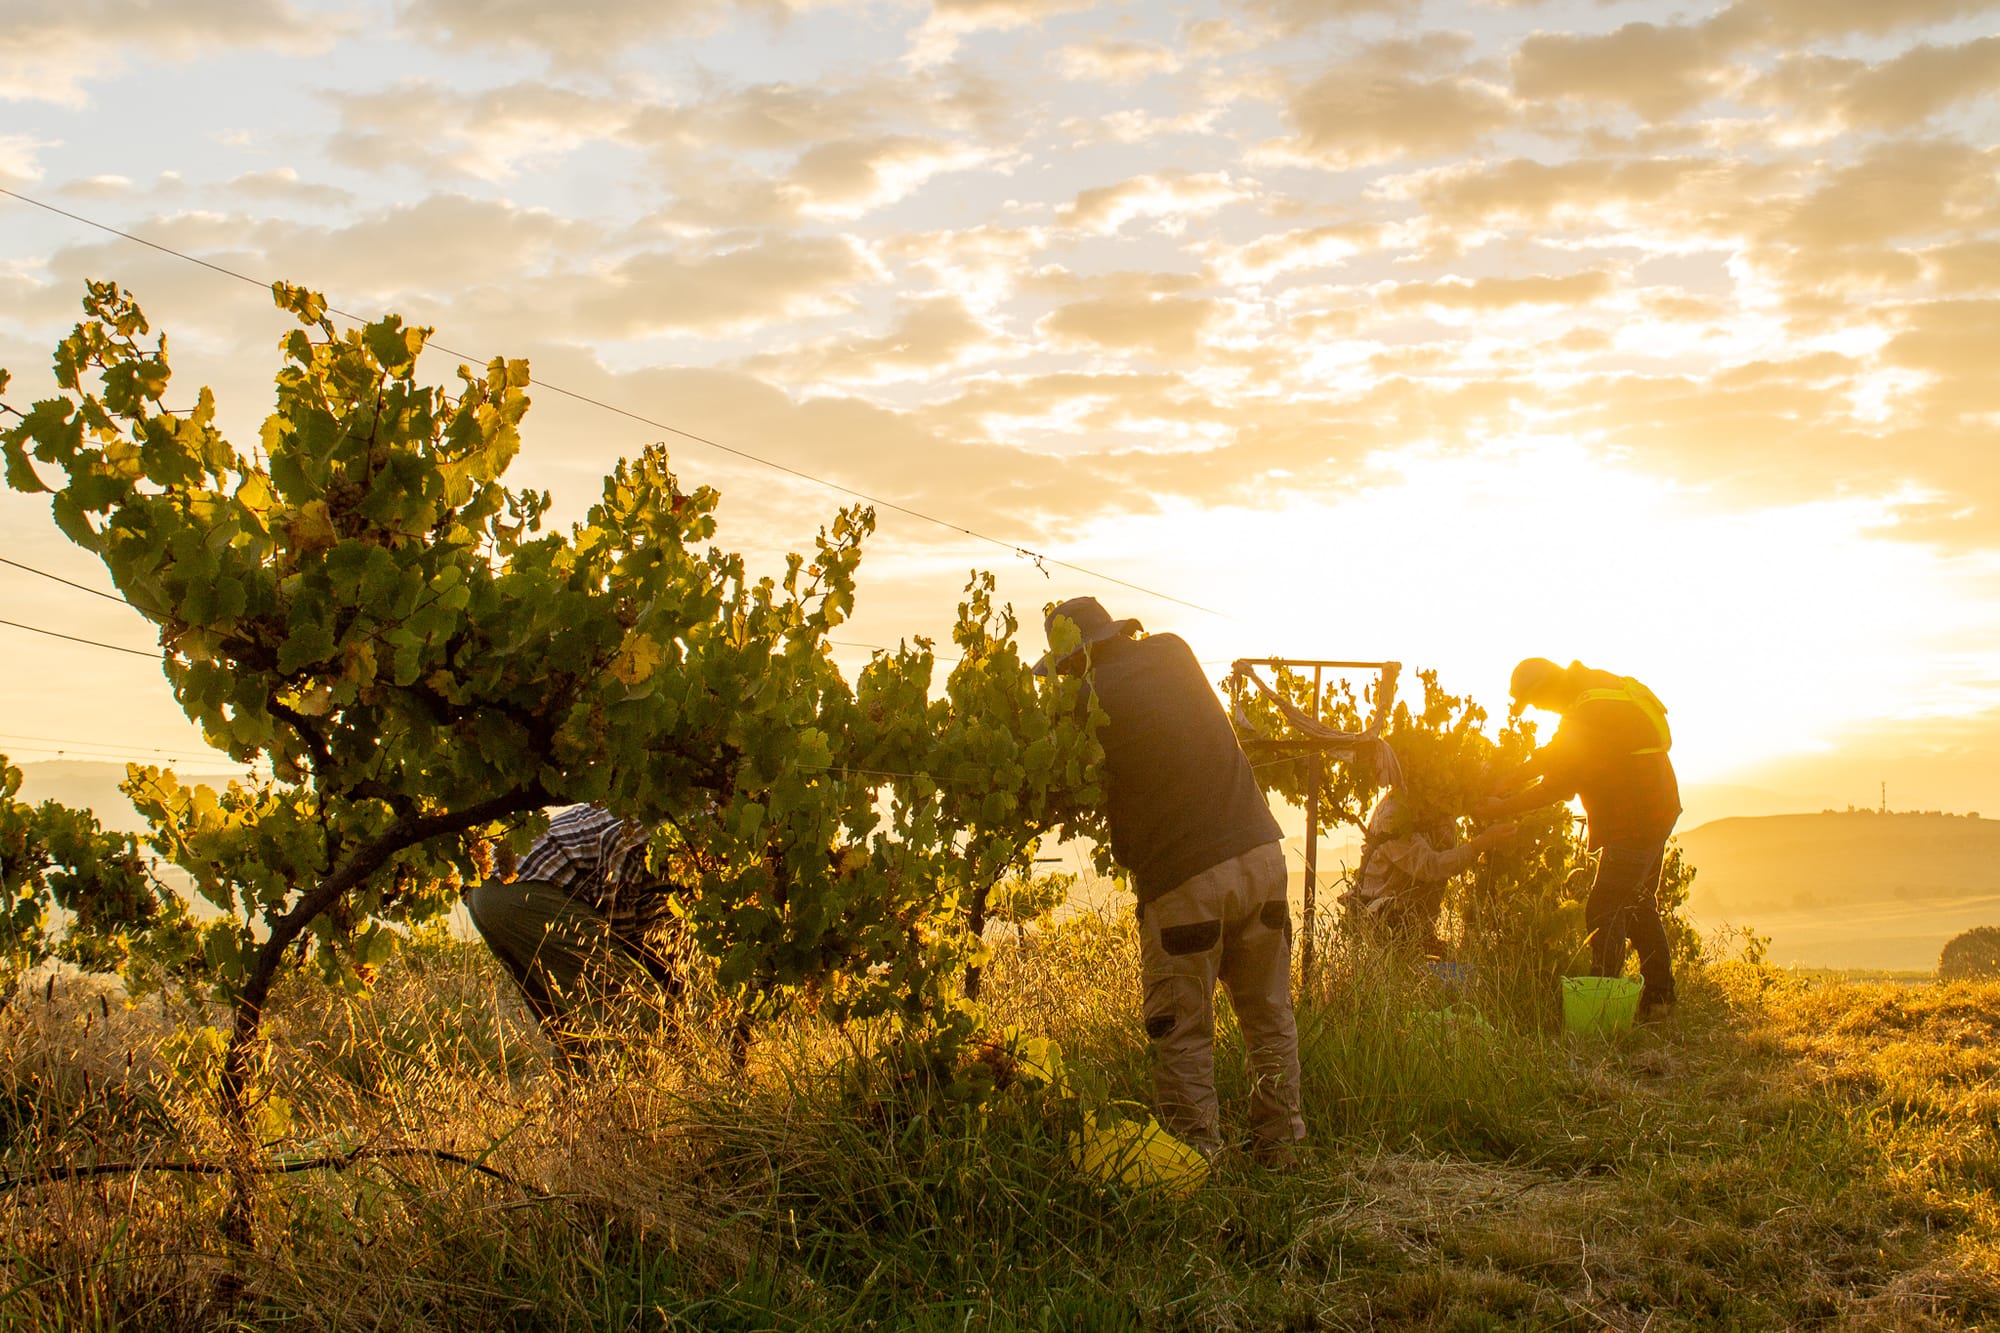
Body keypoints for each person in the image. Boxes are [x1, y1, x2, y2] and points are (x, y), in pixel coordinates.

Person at [1038, 595, 1303, 1164]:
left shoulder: (1085, 698)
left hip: (1185, 879)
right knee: (1269, 1016)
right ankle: (1282, 1149)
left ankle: (1196, 1165)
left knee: (1181, 1032)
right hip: (1261, 855)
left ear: (1075, 658)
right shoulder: (1175, 651)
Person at [1476, 658, 1681, 1020]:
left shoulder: (1586, 712)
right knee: (1636, 903)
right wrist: (1513, 777)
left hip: (1635, 820)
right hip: (1657, 808)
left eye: (1534, 702)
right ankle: (1659, 1001)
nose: (1537, 709)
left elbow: (1557, 785)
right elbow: (1560, 751)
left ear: (1545, 688)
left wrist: (1501, 807)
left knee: (1605, 908)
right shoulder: (1594, 689)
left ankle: (1604, 1005)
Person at [465, 804, 686, 1061]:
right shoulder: (698, 818)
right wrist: (632, 948)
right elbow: (621, 846)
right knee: (641, 1014)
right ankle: (663, 1084)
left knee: (571, 1032)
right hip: (525, 888)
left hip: (488, 891)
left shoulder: (691, 802)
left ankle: (581, 1089)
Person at [1344, 785, 1517, 954]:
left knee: (1450, 966)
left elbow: (1472, 796)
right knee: (1425, 964)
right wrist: (1483, 842)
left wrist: (1500, 803)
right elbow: (1430, 866)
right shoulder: (1392, 816)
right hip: (1389, 924)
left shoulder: (1436, 799)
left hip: (1419, 928)